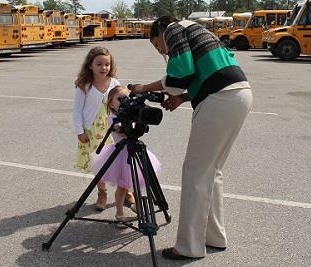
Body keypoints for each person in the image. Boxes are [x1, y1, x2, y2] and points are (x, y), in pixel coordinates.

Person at [131, 16, 253, 260]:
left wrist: (144, 88)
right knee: (211, 171)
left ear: (160, 31)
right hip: (239, 94)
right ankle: (214, 237)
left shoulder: (173, 29)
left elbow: (181, 72)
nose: (162, 50)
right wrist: (183, 97)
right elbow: (209, 72)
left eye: (158, 45)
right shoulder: (198, 30)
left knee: (195, 171)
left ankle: (189, 247)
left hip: (219, 100)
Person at [72, 47, 136, 211]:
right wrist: (80, 131)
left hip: (113, 129)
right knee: (100, 164)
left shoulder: (114, 83)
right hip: (93, 132)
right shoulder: (84, 85)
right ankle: (102, 193)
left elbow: (122, 104)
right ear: (90, 66)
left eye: (107, 64)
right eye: (99, 64)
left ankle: (127, 192)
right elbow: (77, 110)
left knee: (121, 161)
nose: (104, 68)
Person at [90, 86, 161, 224]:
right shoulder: (113, 118)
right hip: (121, 155)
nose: (125, 102)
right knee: (122, 187)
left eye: (127, 98)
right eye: (120, 99)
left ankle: (139, 207)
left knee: (137, 185)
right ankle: (119, 213)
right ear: (111, 103)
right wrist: (126, 125)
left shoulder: (133, 114)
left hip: (135, 152)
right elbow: (121, 131)